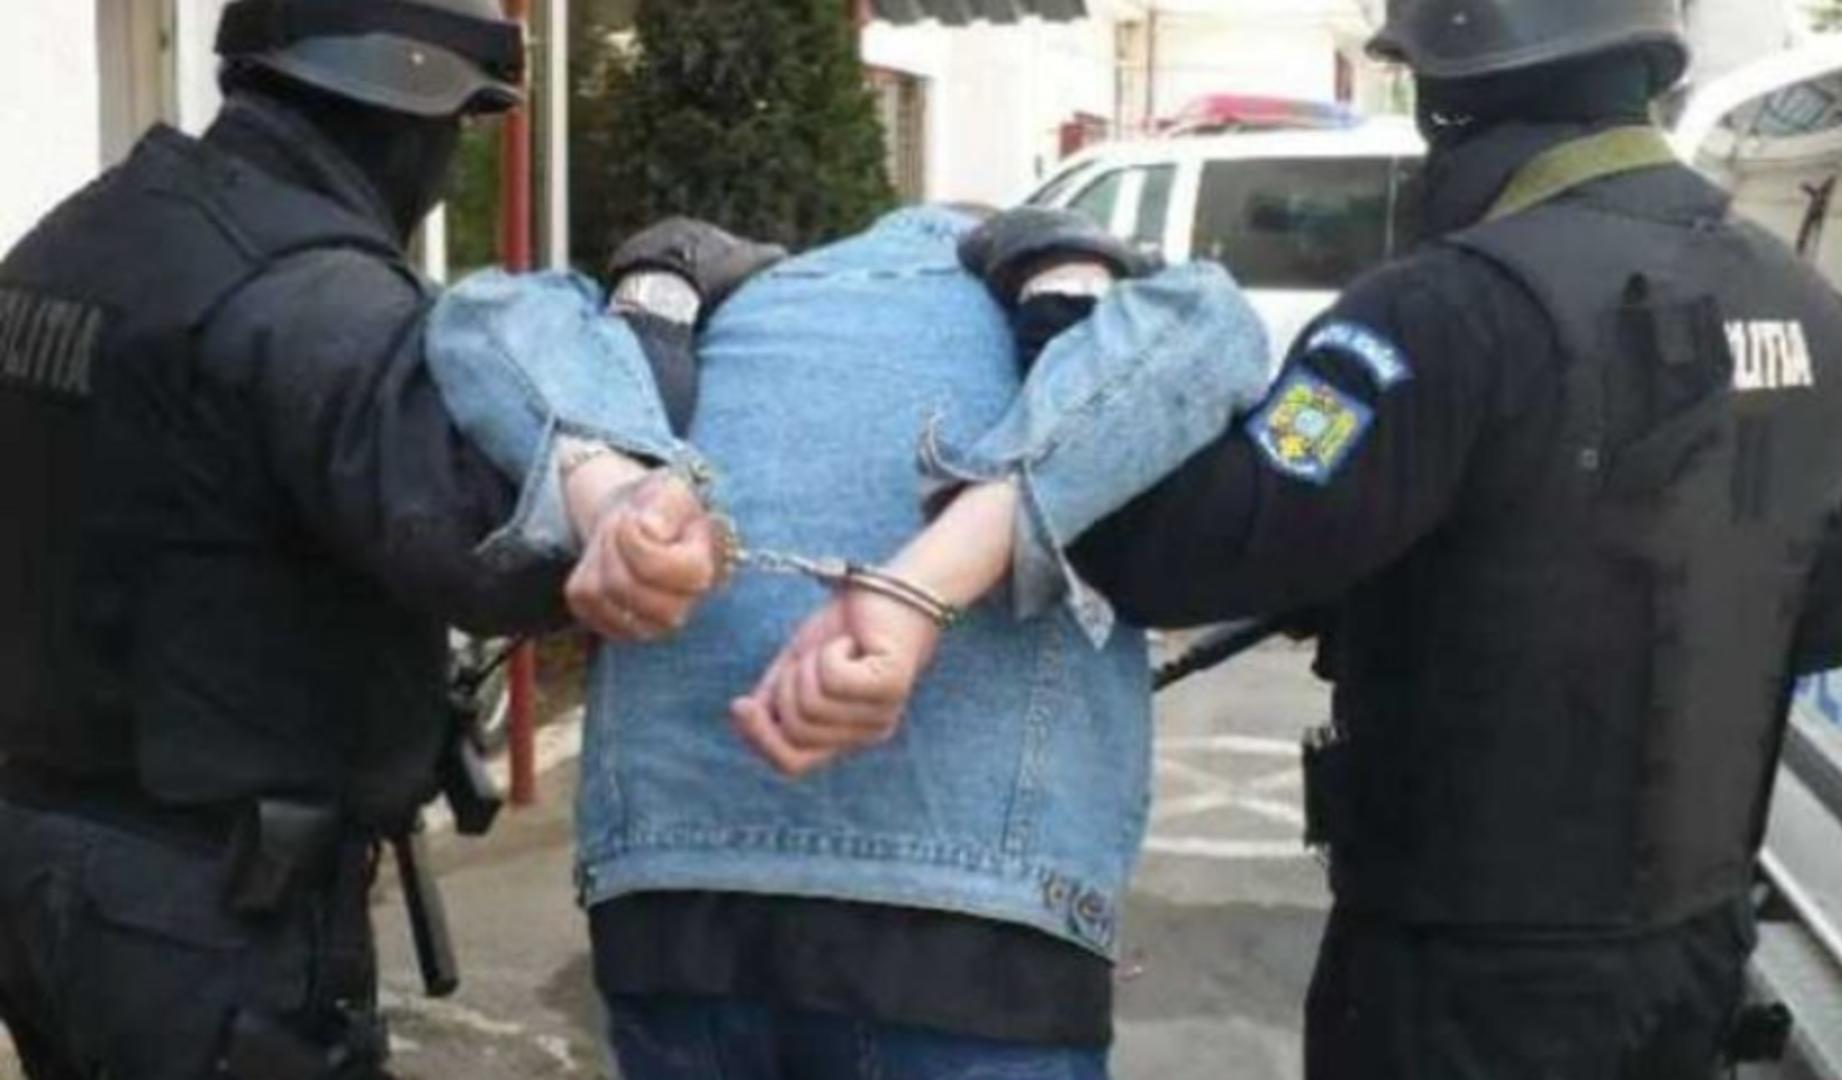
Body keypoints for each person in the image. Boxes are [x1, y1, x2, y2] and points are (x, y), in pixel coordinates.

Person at [1048, 2, 1842, 1077]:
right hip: (1689, 961)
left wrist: (1058, 324)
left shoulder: (1438, 312)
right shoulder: (1825, 316)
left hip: (1463, 978)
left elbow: (1180, 556)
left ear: (1449, 96)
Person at [0, 2, 717, 1077]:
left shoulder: (76, 238)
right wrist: (655, 328)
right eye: (457, 131)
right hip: (211, 914)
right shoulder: (313, 300)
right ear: (401, 118)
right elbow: (494, 544)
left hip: (52, 859)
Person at [425, 205, 1274, 1078]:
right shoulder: (1072, 336)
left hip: (671, 912)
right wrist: (931, 578)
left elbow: (482, 311)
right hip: (978, 935)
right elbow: (1214, 327)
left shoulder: (721, 319)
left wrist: (613, 497)